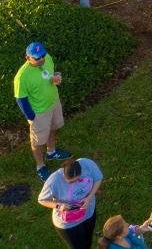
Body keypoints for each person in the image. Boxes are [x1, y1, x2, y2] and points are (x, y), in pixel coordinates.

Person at [14, 41, 70, 181]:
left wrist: (55, 77)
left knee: (53, 128)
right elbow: (21, 99)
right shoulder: (22, 77)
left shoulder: (48, 58)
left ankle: (51, 151)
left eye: (43, 55)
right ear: (28, 58)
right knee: (38, 141)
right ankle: (40, 166)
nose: (42, 59)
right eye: (37, 58)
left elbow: (50, 74)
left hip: (53, 102)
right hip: (39, 112)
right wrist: (31, 116)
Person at [37, 157, 103, 249]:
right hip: (68, 222)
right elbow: (42, 199)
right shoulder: (54, 180)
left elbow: (98, 178)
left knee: (88, 241)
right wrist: (59, 206)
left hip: (88, 212)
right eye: (71, 182)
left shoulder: (87, 164)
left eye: (78, 179)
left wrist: (89, 197)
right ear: (64, 176)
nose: (75, 183)